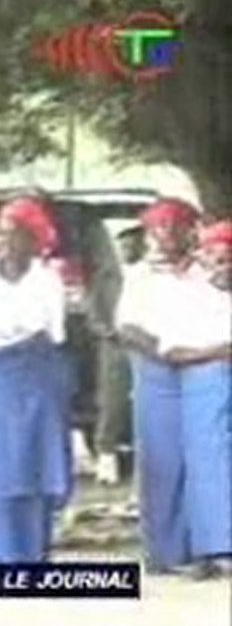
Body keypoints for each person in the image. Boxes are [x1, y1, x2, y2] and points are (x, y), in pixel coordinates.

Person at [0, 197, 71, 582]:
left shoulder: (46, 279)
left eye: (16, 233)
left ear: (34, 238)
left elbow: (52, 331)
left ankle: (31, 553)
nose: (6, 241)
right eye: (3, 232)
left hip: (32, 373)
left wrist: (13, 336)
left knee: (30, 459)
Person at [116, 197, 200, 575]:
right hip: (156, 372)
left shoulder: (205, 272)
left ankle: (199, 544)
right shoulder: (139, 276)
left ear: (190, 230)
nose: (166, 234)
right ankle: (163, 550)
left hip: (203, 369)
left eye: (174, 226)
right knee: (160, 461)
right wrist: (164, 352)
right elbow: (127, 327)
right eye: (159, 227)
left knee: (200, 460)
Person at [158, 220, 232, 580]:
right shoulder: (190, 298)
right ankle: (215, 548)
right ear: (206, 258)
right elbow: (172, 351)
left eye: (231, 259)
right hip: (204, 386)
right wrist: (219, 352)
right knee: (208, 468)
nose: (226, 266)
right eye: (218, 259)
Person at [88, 223, 146, 486]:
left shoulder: (150, 273)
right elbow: (94, 311)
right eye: (123, 244)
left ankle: (144, 458)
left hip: (147, 345)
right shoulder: (107, 275)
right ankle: (106, 454)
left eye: (134, 243)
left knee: (147, 400)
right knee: (113, 400)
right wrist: (107, 330)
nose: (128, 248)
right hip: (115, 343)